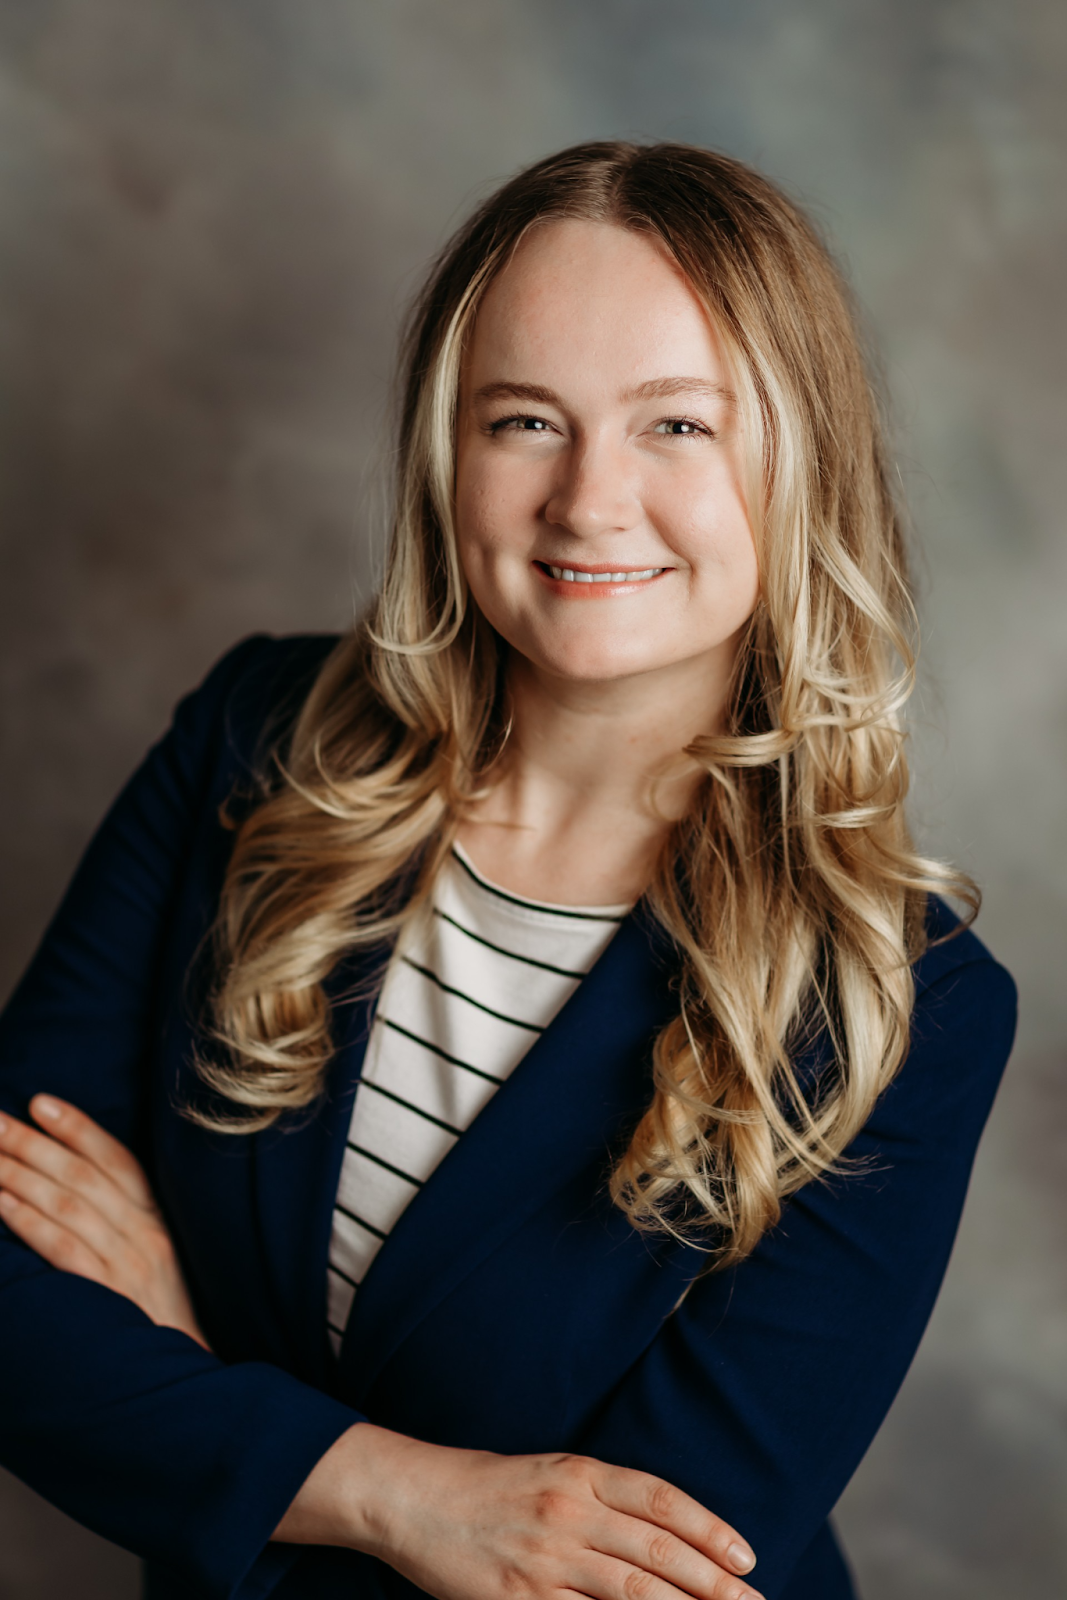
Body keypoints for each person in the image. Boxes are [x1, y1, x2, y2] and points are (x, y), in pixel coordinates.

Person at [0, 141, 1016, 1600]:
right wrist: (400, 1498)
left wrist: (186, 1391)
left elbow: (622, 1582)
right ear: (445, 450)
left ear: (799, 463)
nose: (589, 500)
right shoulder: (251, 745)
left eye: (677, 425)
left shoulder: (894, 1004)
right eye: (525, 420)